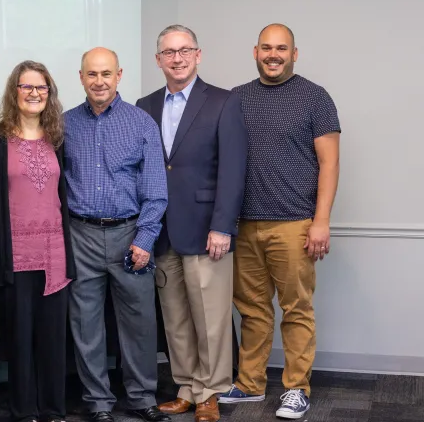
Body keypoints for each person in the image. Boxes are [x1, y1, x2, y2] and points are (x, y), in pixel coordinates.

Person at [218, 23, 341, 420]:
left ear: (294, 53)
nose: (274, 55)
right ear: (255, 51)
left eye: (282, 48)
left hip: (295, 224)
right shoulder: (235, 99)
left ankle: (296, 388)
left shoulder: (315, 98)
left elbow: (330, 162)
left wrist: (321, 220)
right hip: (244, 224)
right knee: (251, 309)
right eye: (267, 48)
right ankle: (251, 383)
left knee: (296, 309)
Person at [135, 25, 248, 422]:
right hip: (161, 229)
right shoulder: (144, 105)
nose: (177, 58)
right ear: (158, 59)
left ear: (198, 55)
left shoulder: (223, 102)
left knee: (211, 320)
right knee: (176, 318)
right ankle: (185, 388)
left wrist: (223, 226)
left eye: (185, 51)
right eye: (169, 52)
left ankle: (210, 392)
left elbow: (234, 170)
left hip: (206, 230)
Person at [64, 47, 170, 422]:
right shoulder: (64, 124)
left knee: (140, 324)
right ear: (80, 78)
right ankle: (98, 403)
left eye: (106, 73)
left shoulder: (141, 123)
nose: (99, 81)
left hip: (129, 233)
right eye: (92, 74)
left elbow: (156, 190)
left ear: (119, 75)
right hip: (81, 236)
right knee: (86, 324)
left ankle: (142, 399)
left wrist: (144, 239)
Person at [0, 60, 77, 422]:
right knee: (20, 341)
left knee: (53, 341)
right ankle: (23, 412)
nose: (34, 93)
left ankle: (53, 410)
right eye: (26, 86)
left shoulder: (58, 138)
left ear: (49, 93)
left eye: (41, 87)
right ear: (14, 91)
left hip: (54, 254)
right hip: (15, 255)